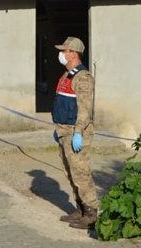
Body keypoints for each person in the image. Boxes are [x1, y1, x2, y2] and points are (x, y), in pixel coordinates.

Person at [51, 36, 98, 230]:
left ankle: (91, 213)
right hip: (64, 130)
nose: (61, 54)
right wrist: (58, 127)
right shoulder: (67, 75)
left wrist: (78, 131)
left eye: (65, 50)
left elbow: (85, 109)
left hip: (75, 132)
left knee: (81, 173)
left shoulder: (83, 77)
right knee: (69, 172)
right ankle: (79, 208)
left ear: (74, 53)